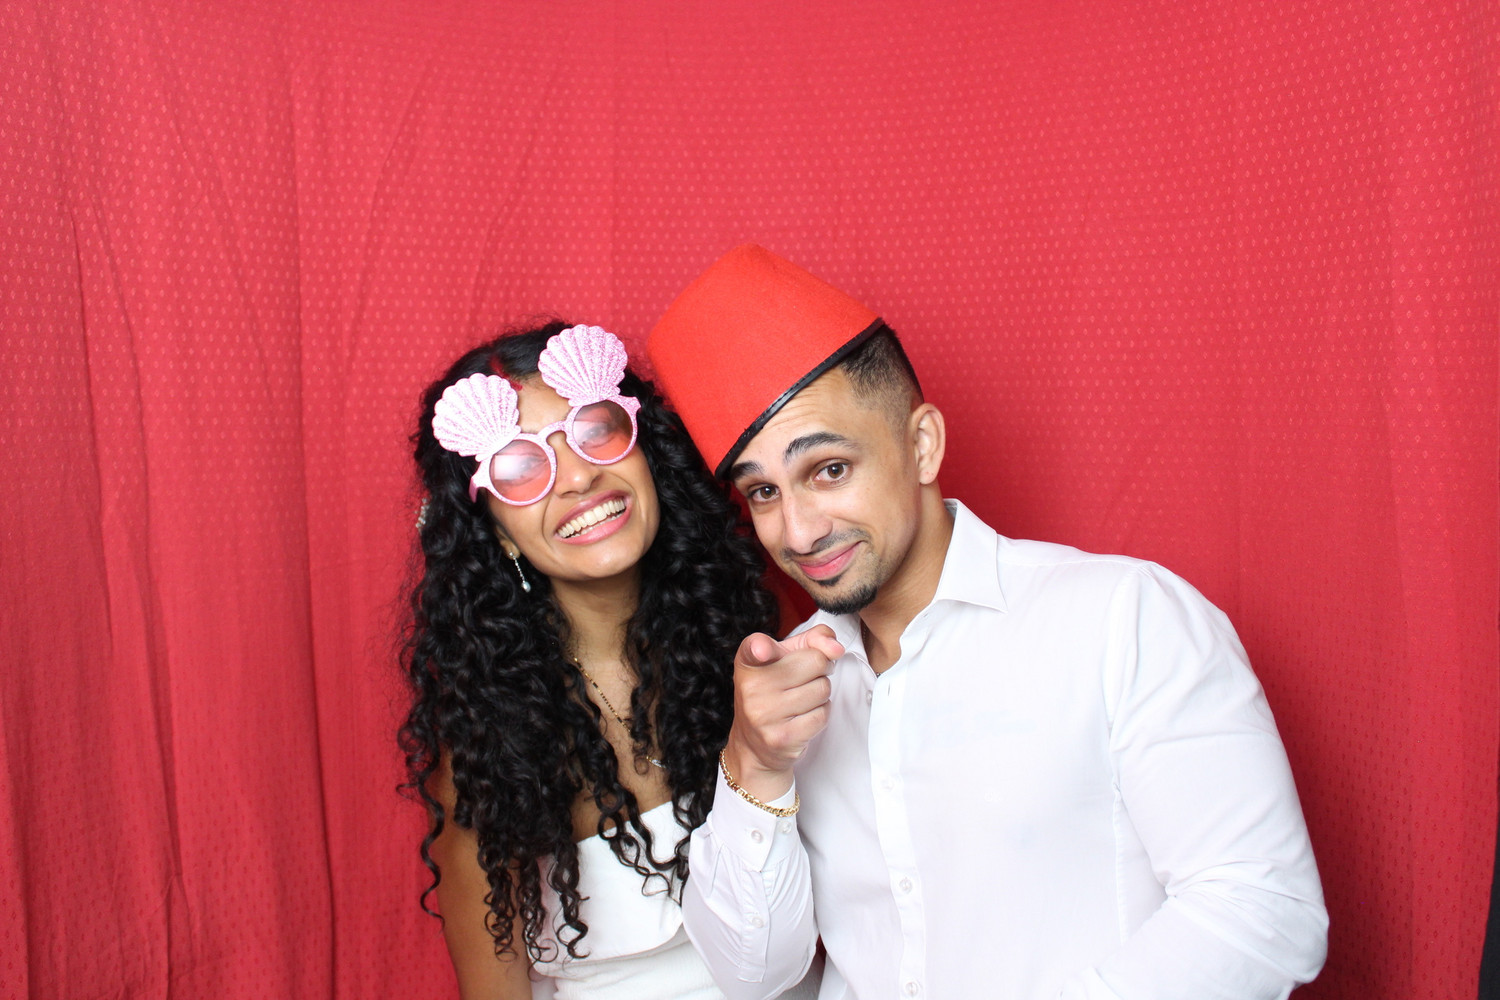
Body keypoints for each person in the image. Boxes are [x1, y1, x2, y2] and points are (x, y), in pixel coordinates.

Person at [646, 245, 1329, 1000]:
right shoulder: (787, 688)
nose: (800, 531)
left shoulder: (1123, 619)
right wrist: (755, 765)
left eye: (829, 470)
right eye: (764, 493)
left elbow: (1264, 908)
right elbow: (752, 979)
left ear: (922, 445)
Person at [398, 321, 784, 999]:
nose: (578, 476)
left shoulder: (751, 652)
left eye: (596, 430)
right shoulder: (492, 755)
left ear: (647, 452)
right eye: (521, 468)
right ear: (498, 536)